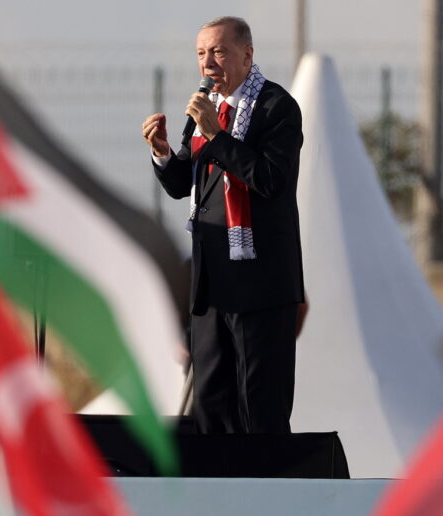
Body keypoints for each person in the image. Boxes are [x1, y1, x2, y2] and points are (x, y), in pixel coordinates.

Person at [141, 16, 304, 434]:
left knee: (259, 414)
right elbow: (182, 184)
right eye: (200, 53)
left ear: (247, 54)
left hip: (260, 288)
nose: (208, 63)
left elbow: (271, 180)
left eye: (218, 51)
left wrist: (216, 136)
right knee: (211, 410)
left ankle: (265, 495)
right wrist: (161, 153)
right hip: (210, 290)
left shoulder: (276, 107)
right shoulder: (207, 107)